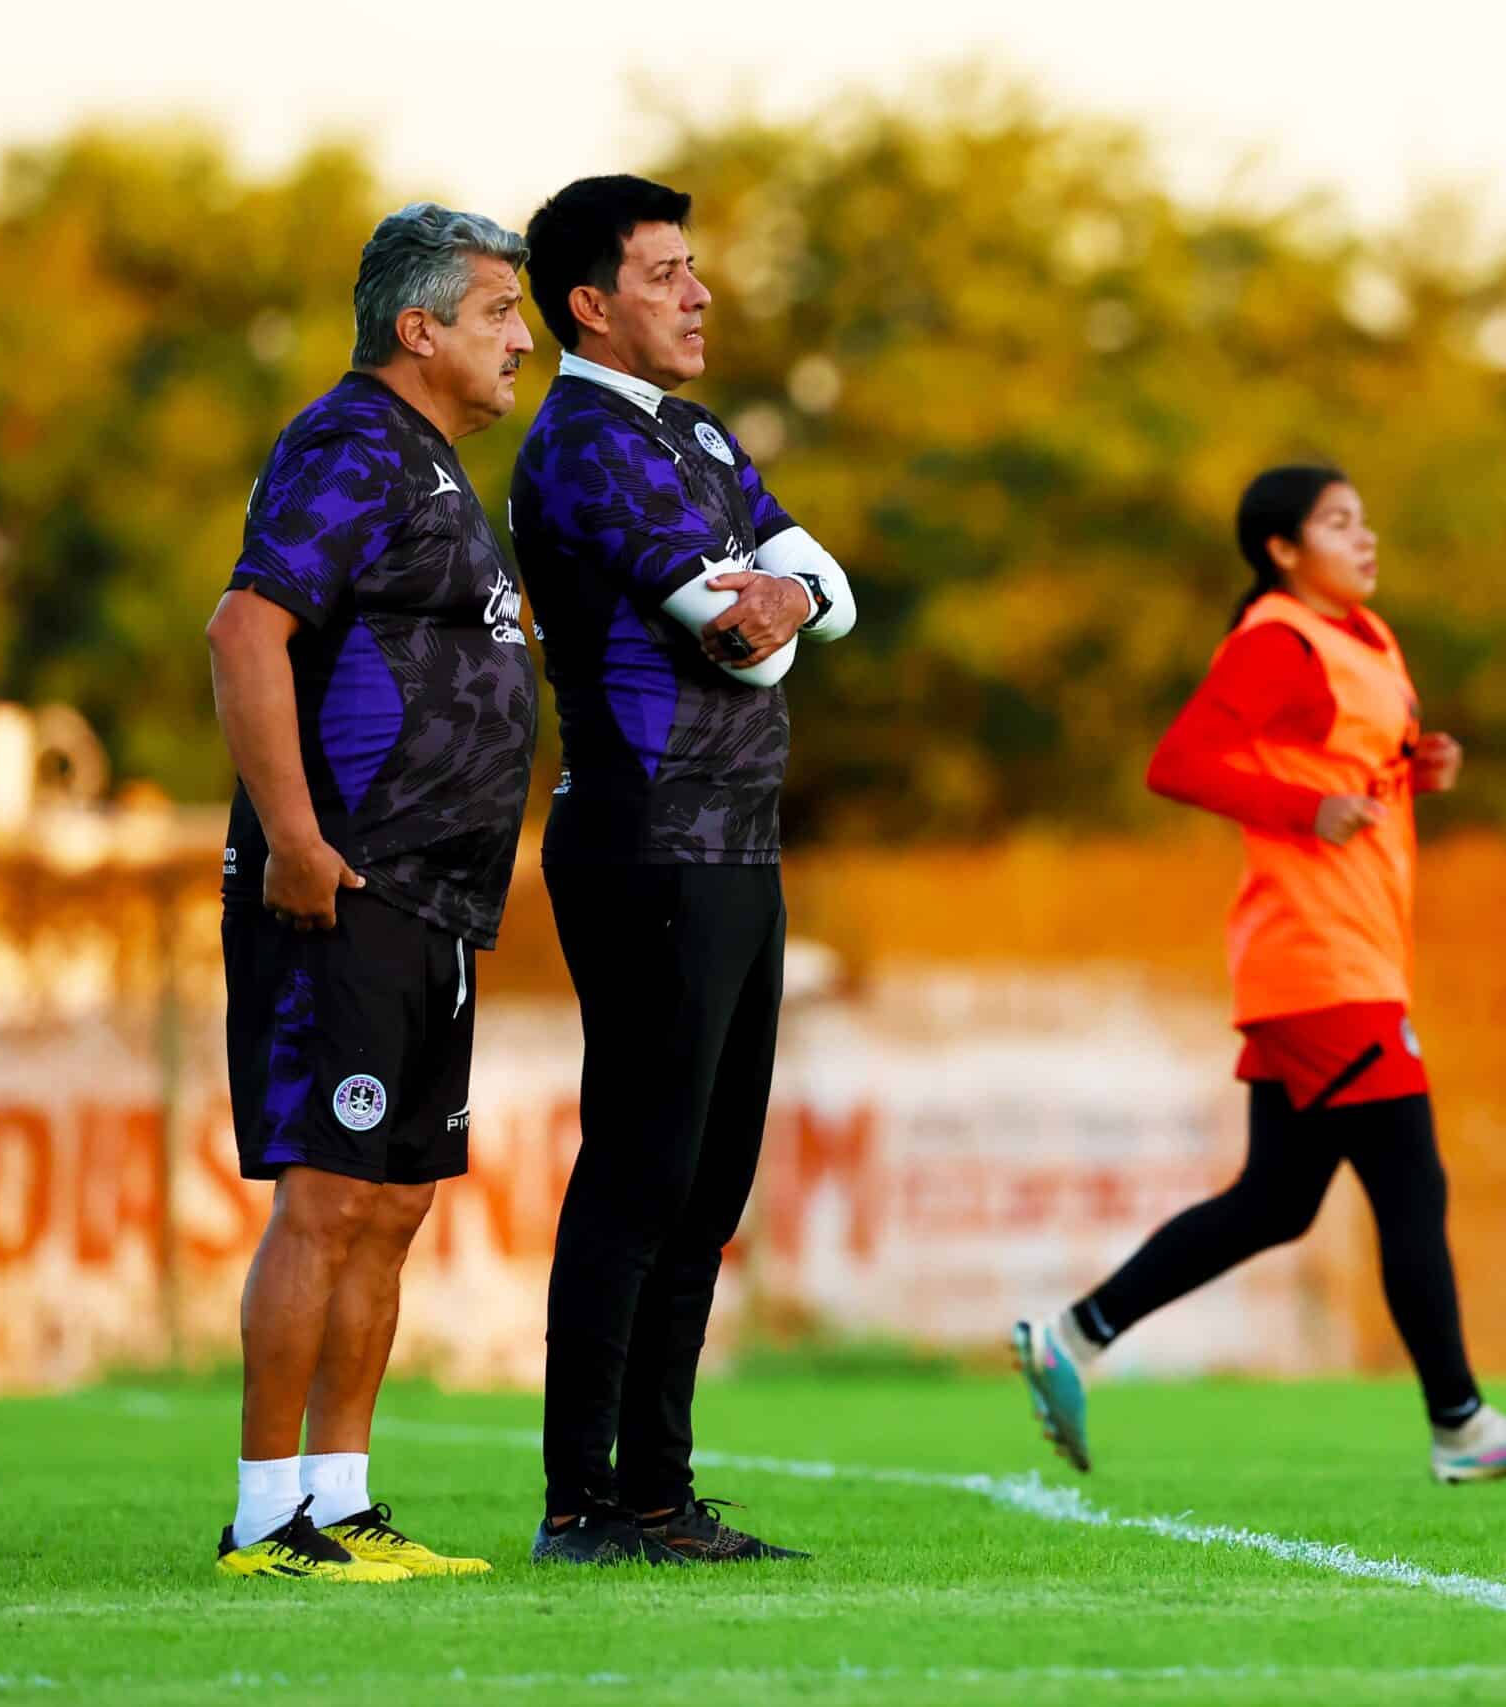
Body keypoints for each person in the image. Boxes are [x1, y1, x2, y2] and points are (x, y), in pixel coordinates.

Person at [1012, 466, 1506, 1486]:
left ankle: (1076, 1336)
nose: (1364, 537)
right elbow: (1178, 763)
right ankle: (1460, 1423)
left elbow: (1342, 763)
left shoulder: (1365, 637)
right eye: (1337, 523)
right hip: (1322, 961)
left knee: (1277, 1201)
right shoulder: (1278, 639)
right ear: (1282, 550)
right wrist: (1304, 813)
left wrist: (1420, 769)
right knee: (1411, 1182)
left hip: (1346, 956)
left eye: (1365, 518)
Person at [510, 174, 856, 1566]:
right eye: (666, 274)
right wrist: (778, 600)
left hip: (739, 846)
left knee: (707, 1183)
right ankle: (583, 1503)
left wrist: (790, 592)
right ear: (592, 304)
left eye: (695, 267)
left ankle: (657, 1491)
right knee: (643, 1172)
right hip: (647, 838)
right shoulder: (586, 441)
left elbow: (825, 586)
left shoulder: (697, 432)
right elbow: (749, 631)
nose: (700, 293)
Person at [208, 203, 539, 1579]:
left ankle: (340, 1499)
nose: (524, 337)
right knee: (329, 1197)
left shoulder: (437, 467)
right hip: (342, 887)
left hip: (437, 899)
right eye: (497, 314)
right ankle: (262, 1512)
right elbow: (247, 628)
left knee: (394, 1200)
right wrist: (292, 835)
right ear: (419, 329)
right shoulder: (351, 442)